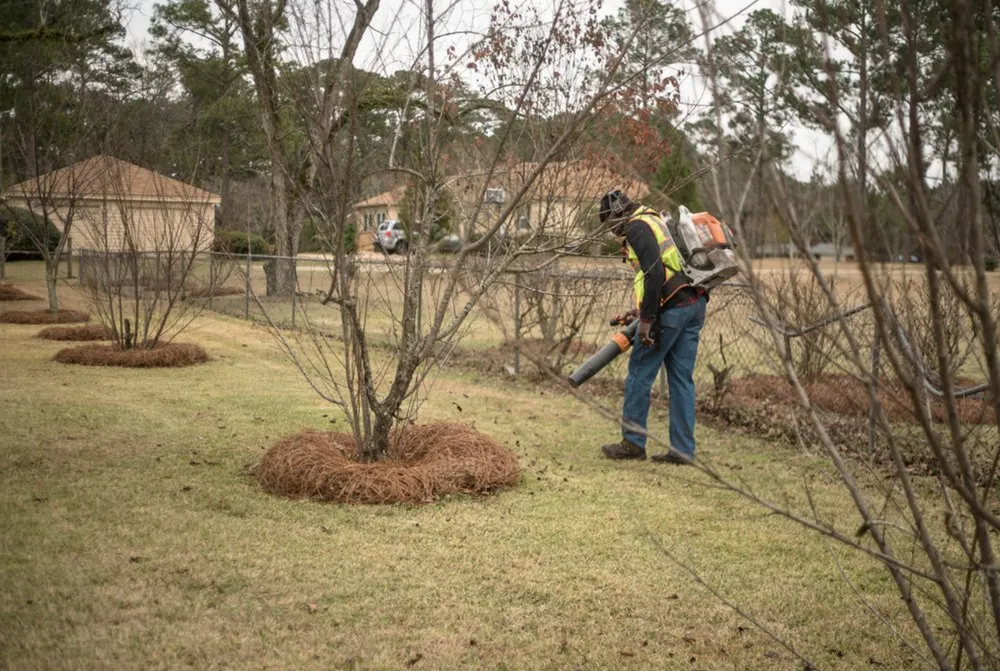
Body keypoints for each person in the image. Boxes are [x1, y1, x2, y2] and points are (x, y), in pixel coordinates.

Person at [598, 189, 707, 465]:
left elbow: (655, 272)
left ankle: (632, 443)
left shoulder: (636, 227)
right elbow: (665, 271)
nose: (612, 231)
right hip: (692, 304)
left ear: (617, 214)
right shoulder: (654, 219)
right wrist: (641, 310)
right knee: (682, 379)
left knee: (639, 372)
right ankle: (683, 450)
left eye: (610, 223)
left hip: (671, 311)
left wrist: (646, 322)